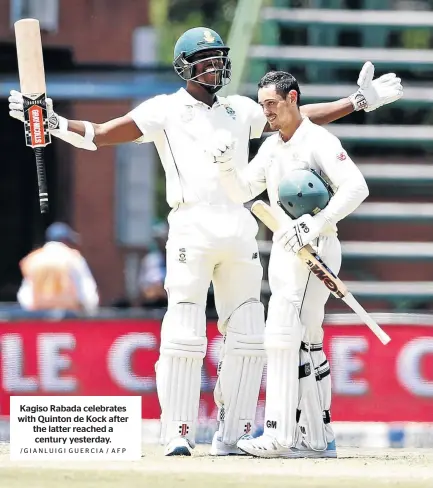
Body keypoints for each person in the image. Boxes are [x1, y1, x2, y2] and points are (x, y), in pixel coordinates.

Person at [8, 27, 403, 457]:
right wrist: (54, 122)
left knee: (251, 335)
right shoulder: (165, 110)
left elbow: (296, 117)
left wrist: (358, 102)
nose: (216, 66)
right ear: (185, 66)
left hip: (240, 226)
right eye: (207, 59)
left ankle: (232, 434)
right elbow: (102, 134)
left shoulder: (240, 109)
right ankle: (178, 430)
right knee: (184, 333)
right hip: (190, 227)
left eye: (219, 58)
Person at [212, 70, 370, 458]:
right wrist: (226, 166)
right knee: (307, 341)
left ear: (292, 98)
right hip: (286, 249)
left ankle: (280, 434)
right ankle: (319, 439)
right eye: (262, 104)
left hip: (316, 249)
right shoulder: (270, 148)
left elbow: (356, 187)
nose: (266, 111)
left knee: (282, 333)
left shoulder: (317, 139)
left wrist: (317, 222)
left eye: (272, 104)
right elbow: (242, 192)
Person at [17, 222, 99, 314]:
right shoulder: (73, 258)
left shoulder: (34, 259)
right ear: (65, 240)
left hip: (38, 317)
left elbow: (25, 296)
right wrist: (90, 310)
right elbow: (86, 289)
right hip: (69, 316)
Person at [138, 222, 168, 309]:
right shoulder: (150, 260)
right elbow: (143, 287)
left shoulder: (180, 259)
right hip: (152, 306)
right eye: (159, 241)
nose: (162, 244)